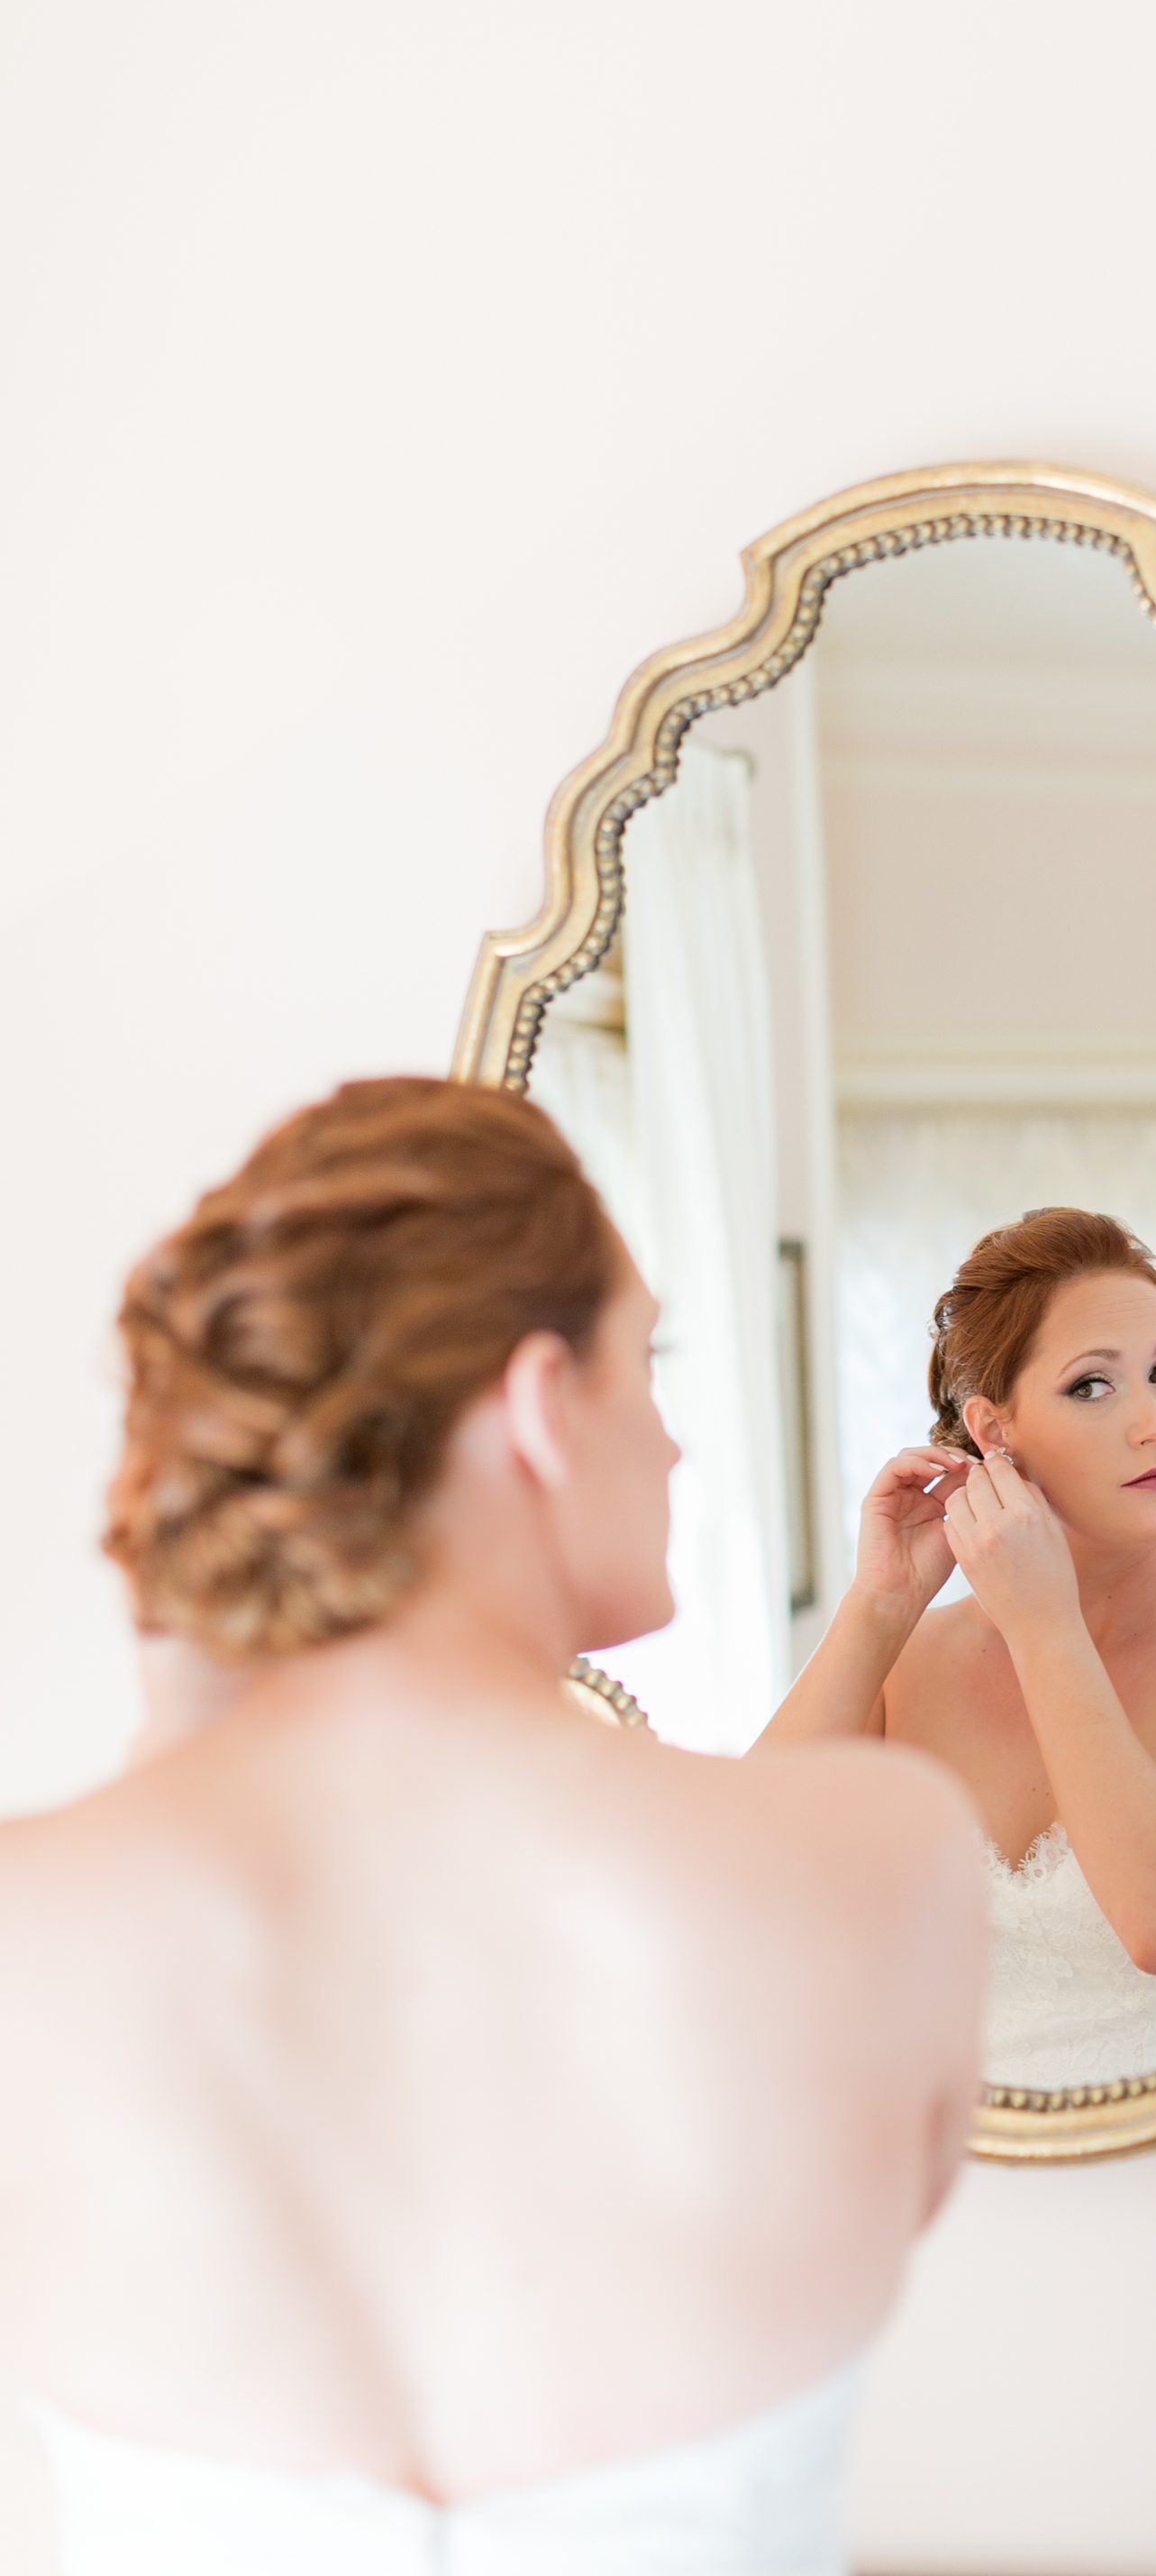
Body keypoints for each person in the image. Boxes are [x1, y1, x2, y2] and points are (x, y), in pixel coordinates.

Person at [0, 1078, 985, 2574]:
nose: (670, 1444)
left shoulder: (39, 1931)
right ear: (538, 1402)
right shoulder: (886, 1860)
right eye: (642, 1362)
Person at [760, 1207, 1156, 2088]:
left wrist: (1042, 1626)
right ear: (994, 1429)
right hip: (965, 2201)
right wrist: (877, 1608)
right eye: (1093, 1386)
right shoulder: (905, 1667)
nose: (1152, 1423)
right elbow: (738, 1900)